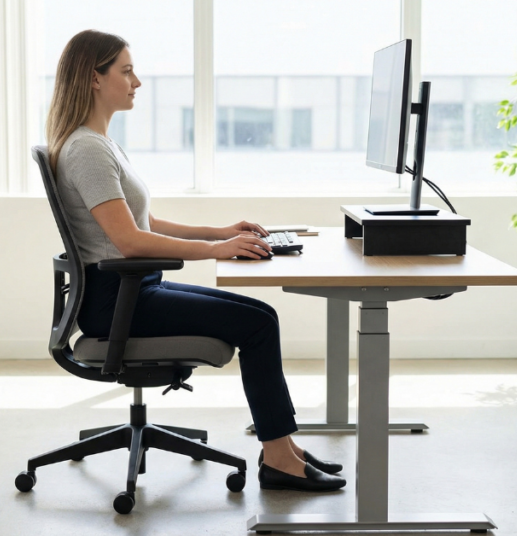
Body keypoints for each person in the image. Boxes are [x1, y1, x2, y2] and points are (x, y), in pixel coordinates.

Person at [45, 29, 345, 492]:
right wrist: (215, 252)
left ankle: (285, 449)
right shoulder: (86, 149)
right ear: (94, 78)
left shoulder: (99, 143)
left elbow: (143, 221)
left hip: (133, 291)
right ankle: (278, 459)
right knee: (257, 325)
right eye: (126, 71)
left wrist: (218, 232)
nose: (137, 82)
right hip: (119, 301)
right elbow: (130, 242)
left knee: (262, 316)